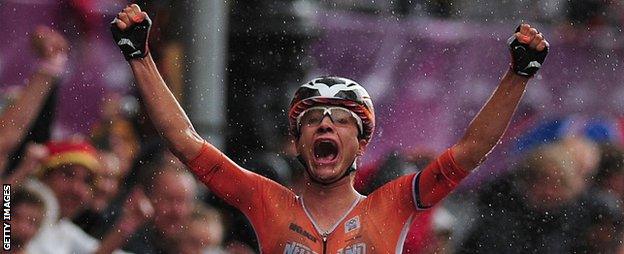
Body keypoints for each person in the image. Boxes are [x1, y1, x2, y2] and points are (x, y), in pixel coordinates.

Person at [111, 4, 549, 252]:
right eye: (312, 120)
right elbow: (184, 142)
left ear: (361, 144)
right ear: (297, 142)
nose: (325, 124)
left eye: (341, 120)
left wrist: (518, 76)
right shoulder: (266, 200)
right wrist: (141, 58)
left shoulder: (390, 205)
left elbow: (470, 151)